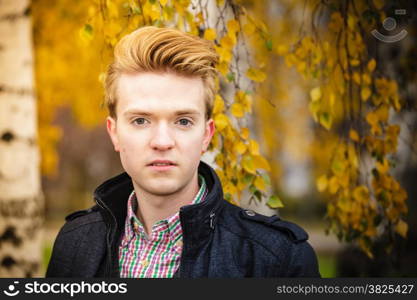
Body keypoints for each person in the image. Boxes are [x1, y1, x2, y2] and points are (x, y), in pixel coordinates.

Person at [46, 26, 320, 278]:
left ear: (206, 135)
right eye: (141, 120)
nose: (162, 141)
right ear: (114, 132)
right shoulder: (74, 243)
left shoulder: (277, 259)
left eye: (183, 121)